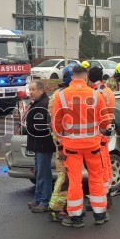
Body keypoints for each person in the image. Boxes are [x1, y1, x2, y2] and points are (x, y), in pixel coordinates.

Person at [52, 65, 112, 227]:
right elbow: (106, 121)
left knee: (75, 181)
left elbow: (56, 123)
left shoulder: (62, 96)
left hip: (71, 146)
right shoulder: (95, 94)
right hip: (93, 145)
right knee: (96, 178)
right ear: (85, 78)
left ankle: (76, 217)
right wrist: (99, 135)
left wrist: (61, 140)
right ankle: (100, 214)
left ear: (72, 77)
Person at [88, 67, 116, 208]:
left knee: (100, 167)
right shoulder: (108, 90)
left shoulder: (96, 93)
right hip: (107, 130)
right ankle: (107, 195)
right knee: (106, 164)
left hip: (99, 131)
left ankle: (103, 197)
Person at [25, 80, 55, 213]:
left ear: (41, 90)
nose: (30, 92)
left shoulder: (43, 104)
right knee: (38, 171)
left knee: (43, 173)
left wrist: (28, 127)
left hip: (43, 143)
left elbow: (41, 126)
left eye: (33, 89)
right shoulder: (38, 103)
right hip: (39, 144)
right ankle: (38, 199)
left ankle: (45, 201)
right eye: (29, 89)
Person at [48, 78, 70, 222]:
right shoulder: (62, 96)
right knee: (64, 176)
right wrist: (61, 145)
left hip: (63, 140)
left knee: (68, 176)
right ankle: (56, 207)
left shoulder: (58, 94)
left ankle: (64, 206)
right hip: (64, 142)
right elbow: (57, 123)